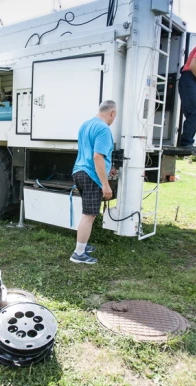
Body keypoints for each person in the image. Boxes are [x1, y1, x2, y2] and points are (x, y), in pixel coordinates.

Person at [69, 100, 117, 265]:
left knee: (89, 213)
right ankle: (78, 253)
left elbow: (89, 151)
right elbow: (97, 156)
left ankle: (83, 244)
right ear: (112, 113)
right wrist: (105, 184)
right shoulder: (104, 129)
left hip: (79, 172)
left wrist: (108, 168)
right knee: (88, 215)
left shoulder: (86, 124)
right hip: (91, 175)